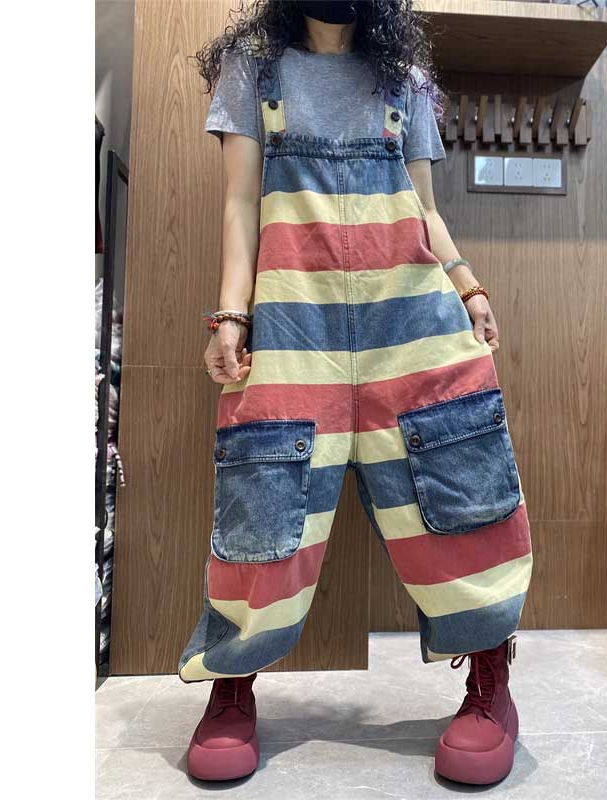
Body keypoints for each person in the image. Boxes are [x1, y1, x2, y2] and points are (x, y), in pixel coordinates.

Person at [179, 0, 533, 786]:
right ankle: (232, 683)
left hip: (410, 318)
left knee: (458, 494)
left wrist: (468, 287)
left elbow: (425, 209)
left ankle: (490, 679)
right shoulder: (254, 71)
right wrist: (232, 314)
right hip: (292, 319)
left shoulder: (402, 78)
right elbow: (239, 202)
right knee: (264, 506)